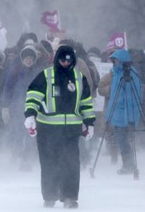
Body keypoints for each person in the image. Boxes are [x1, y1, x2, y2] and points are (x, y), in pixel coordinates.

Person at [24, 45, 95, 208]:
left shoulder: (79, 78)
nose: (65, 63)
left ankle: (70, 197)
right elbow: (33, 96)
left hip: (71, 130)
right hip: (47, 129)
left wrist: (89, 122)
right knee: (49, 163)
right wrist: (30, 115)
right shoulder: (46, 76)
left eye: (69, 60)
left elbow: (86, 103)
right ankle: (49, 196)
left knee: (70, 164)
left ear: (73, 60)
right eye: (62, 59)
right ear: (57, 59)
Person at [106, 49, 142, 175]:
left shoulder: (131, 75)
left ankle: (129, 164)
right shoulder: (117, 73)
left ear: (121, 61)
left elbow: (131, 98)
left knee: (123, 141)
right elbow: (114, 95)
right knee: (121, 140)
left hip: (125, 115)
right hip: (118, 114)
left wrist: (131, 119)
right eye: (113, 60)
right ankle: (128, 164)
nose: (114, 62)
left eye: (116, 60)